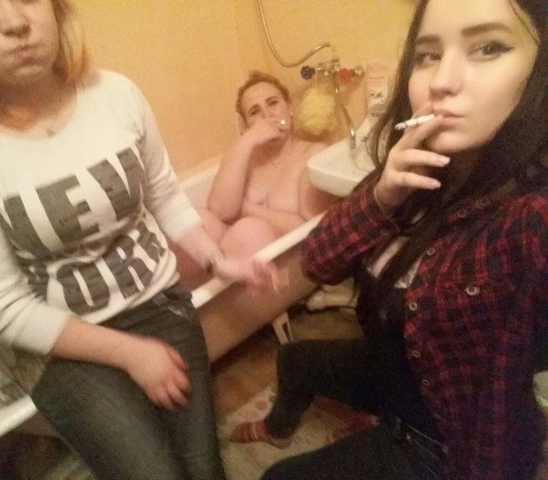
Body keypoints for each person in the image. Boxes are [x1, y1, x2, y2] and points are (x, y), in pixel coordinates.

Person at [0, 1, 277, 479]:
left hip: (161, 307)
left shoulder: (115, 94)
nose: (15, 21)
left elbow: (164, 195)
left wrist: (218, 260)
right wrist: (132, 353)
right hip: (60, 346)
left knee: (203, 469)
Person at [230, 0, 548, 478]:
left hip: (442, 443)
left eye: (488, 47)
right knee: (293, 359)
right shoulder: (411, 172)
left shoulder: (530, 216)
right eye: (427, 55)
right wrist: (381, 197)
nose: (441, 81)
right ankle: (282, 427)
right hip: (397, 369)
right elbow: (317, 261)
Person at [176, 71, 333, 277]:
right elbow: (220, 211)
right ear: (246, 125)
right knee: (198, 218)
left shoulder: (313, 154)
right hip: (234, 252)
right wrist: (248, 140)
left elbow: (311, 227)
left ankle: (222, 291)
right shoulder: (243, 154)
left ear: (290, 108)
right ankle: (191, 292)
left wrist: (245, 209)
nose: (267, 116)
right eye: (254, 112)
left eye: (273, 103)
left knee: (250, 231)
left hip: (286, 260)